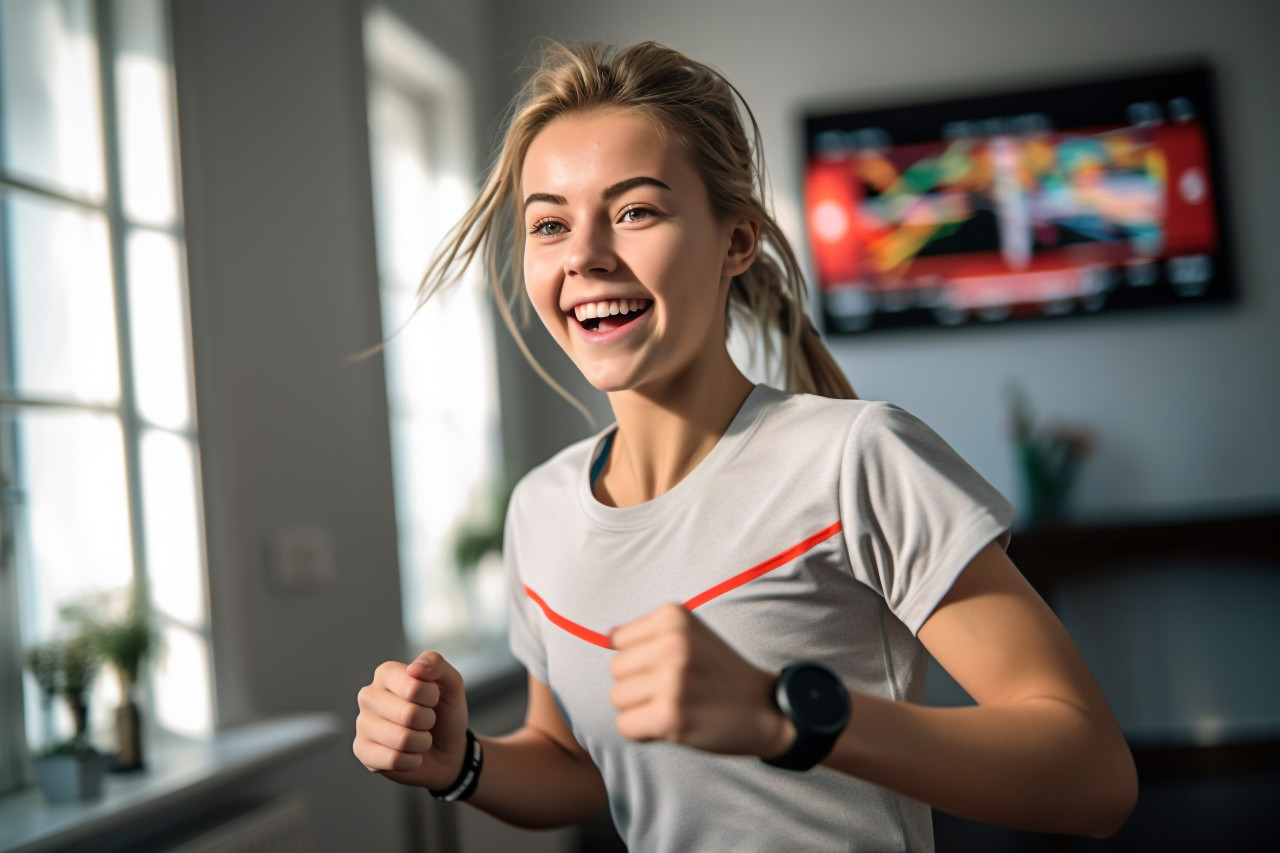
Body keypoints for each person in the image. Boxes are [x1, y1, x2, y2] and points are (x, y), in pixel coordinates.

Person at [353, 40, 1137, 850]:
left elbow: (1092, 775)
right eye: (549, 224)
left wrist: (784, 712)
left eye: (635, 211)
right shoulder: (541, 510)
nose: (584, 255)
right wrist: (463, 762)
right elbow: (578, 761)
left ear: (736, 242)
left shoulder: (855, 458)